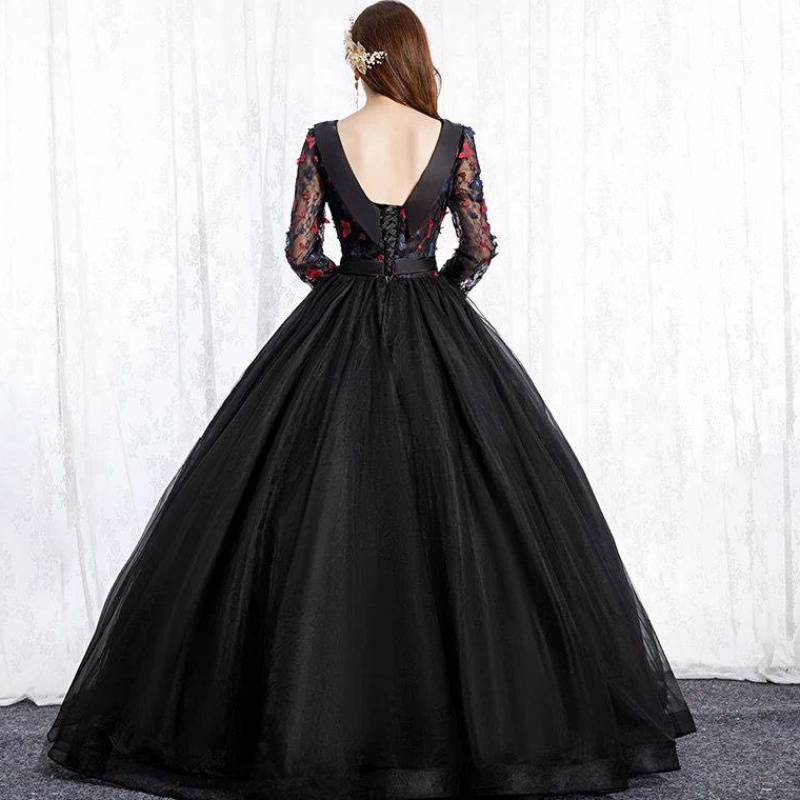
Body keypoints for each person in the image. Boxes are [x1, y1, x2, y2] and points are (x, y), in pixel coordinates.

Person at [44, 2, 696, 798]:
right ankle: (475, 729)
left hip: (339, 321)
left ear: (360, 59)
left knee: (316, 511)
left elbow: (300, 250)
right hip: (436, 321)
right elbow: (479, 246)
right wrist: (434, 295)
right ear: (414, 55)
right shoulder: (452, 139)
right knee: (471, 514)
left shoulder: (325, 139)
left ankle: (315, 716)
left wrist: (348, 294)